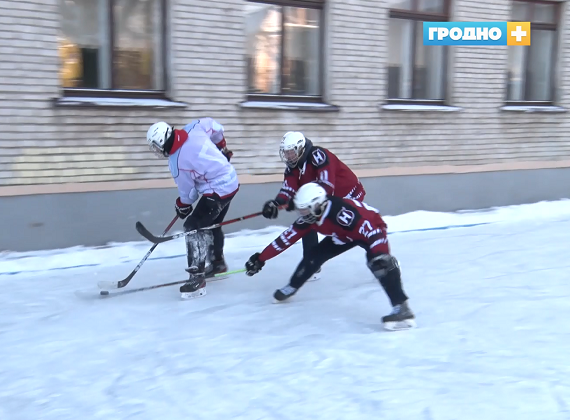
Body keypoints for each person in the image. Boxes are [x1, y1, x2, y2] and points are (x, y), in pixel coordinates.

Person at [245, 183, 415, 330]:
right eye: (300, 210)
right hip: (342, 235)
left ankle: (402, 308)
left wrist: (381, 254)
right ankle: (292, 287)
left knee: (379, 264)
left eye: (304, 210)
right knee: (314, 255)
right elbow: (285, 239)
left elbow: (371, 230)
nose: (302, 215)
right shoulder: (312, 215)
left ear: (317, 206)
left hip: (370, 229)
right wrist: (261, 258)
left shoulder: (342, 214)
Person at [146, 118, 238, 299]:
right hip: (232, 180)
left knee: (192, 226)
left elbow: (189, 195)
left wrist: (181, 206)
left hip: (218, 190)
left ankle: (197, 279)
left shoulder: (177, 163)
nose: (156, 152)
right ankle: (218, 263)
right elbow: (215, 126)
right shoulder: (193, 128)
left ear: (162, 141)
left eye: (155, 147)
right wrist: (221, 146)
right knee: (212, 224)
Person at [261, 131, 366, 281]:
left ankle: (382, 257)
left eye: (291, 152)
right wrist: (276, 203)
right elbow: (288, 189)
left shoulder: (319, 155)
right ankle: (312, 264)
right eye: (286, 153)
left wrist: (296, 201)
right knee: (307, 221)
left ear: (300, 148)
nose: (289, 156)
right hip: (326, 197)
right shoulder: (293, 167)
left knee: (351, 230)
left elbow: (326, 185)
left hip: (348, 194)